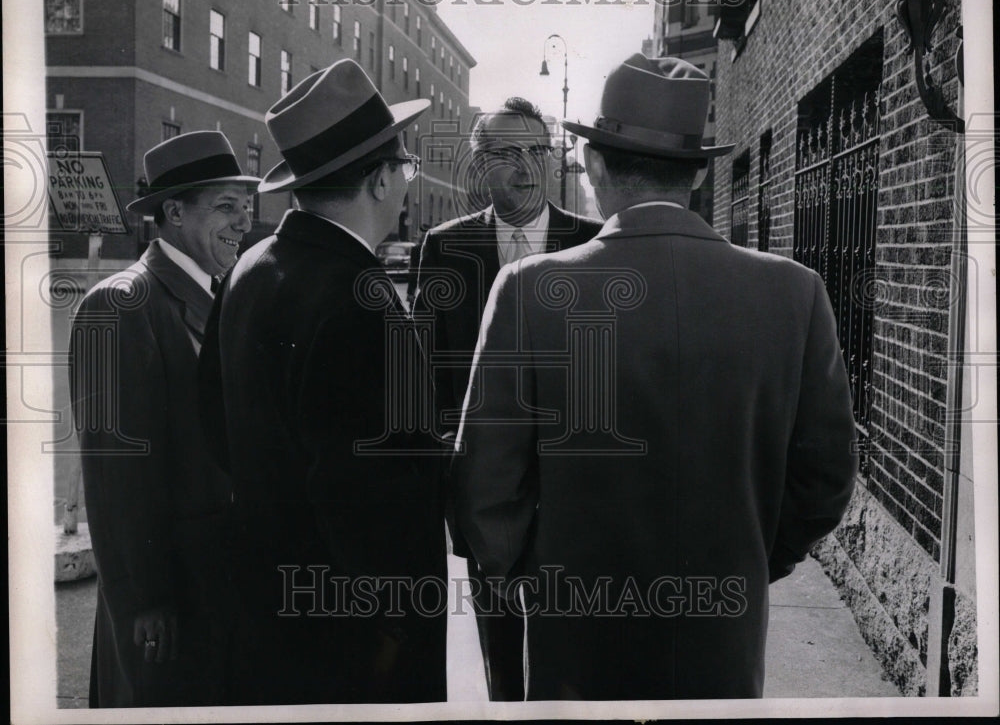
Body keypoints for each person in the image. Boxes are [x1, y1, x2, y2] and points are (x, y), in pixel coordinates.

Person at [453, 54, 859, 700]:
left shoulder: (529, 292)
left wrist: (543, 580)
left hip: (576, 659)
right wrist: (749, 560)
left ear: (594, 164)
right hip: (720, 654)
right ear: (699, 172)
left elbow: (483, 487)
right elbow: (828, 477)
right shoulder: (795, 294)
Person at [198, 59, 448, 705]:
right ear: (380, 178)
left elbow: (216, 426)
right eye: (406, 167)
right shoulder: (362, 297)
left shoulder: (251, 267)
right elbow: (375, 499)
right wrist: (394, 631)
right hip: (355, 642)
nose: (405, 181)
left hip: (266, 609)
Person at [413, 97, 601, 700]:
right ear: (478, 164)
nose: (524, 166)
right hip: (486, 492)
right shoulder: (444, 248)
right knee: (500, 649)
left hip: (576, 490)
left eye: (536, 151)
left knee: (573, 652)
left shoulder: (593, 246)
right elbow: (427, 374)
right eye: (505, 153)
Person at [70, 130, 258, 707]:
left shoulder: (220, 292)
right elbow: (115, 476)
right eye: (226, 206)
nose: (243, 223)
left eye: (246, 207)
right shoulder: (122, 304)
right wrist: (146, 600)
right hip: (166, 603)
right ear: (173, 213)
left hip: (215, 588)